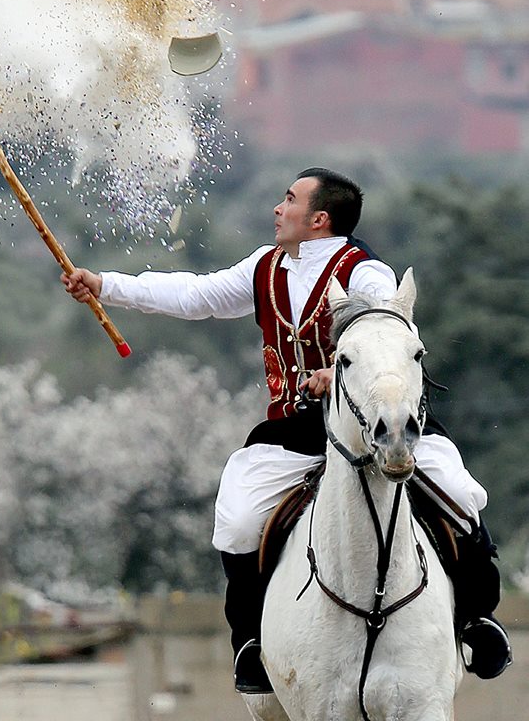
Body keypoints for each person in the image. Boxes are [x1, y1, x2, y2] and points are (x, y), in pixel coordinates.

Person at [62, 167, 511, 692]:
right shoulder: (264, 267)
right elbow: (195, 296)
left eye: (289, 200)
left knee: (458, 493)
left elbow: (384, 329)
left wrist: (338, 369)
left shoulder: (367, 275)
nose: (278, 209)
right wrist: (105, 285)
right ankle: (252, 642)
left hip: (374, 421)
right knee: (239, 515)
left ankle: (478, 620)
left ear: (319, 219)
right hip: (297, 429)